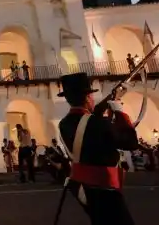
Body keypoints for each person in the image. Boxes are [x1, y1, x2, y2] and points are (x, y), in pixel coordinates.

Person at [56, 73, 139, 225]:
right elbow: (131, 142)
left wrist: (105, 106)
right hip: (104, 186)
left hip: (82, 186)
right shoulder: (97, 123)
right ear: (88, 97)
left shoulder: (64, 123)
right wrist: (118, 109)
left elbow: (86, 127)